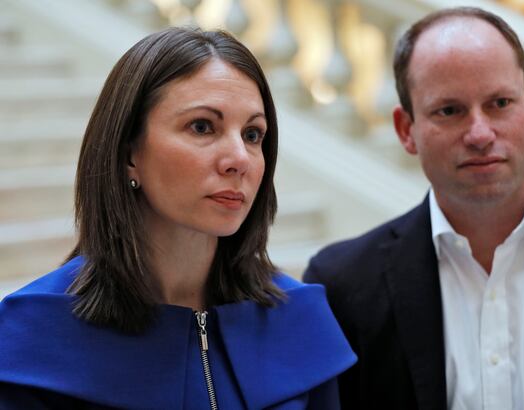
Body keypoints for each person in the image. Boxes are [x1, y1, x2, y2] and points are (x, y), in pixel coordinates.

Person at [0, 27, 356, 409]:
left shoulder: (298, 319)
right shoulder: (33, 338)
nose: (239, 159)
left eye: (253, 134)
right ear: (128, 154)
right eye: (203, 127)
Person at [304, 6, 524, 410]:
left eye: (499, 103)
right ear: (406, 130)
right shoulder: (342, 286)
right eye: (449, 110)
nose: (480, 134)